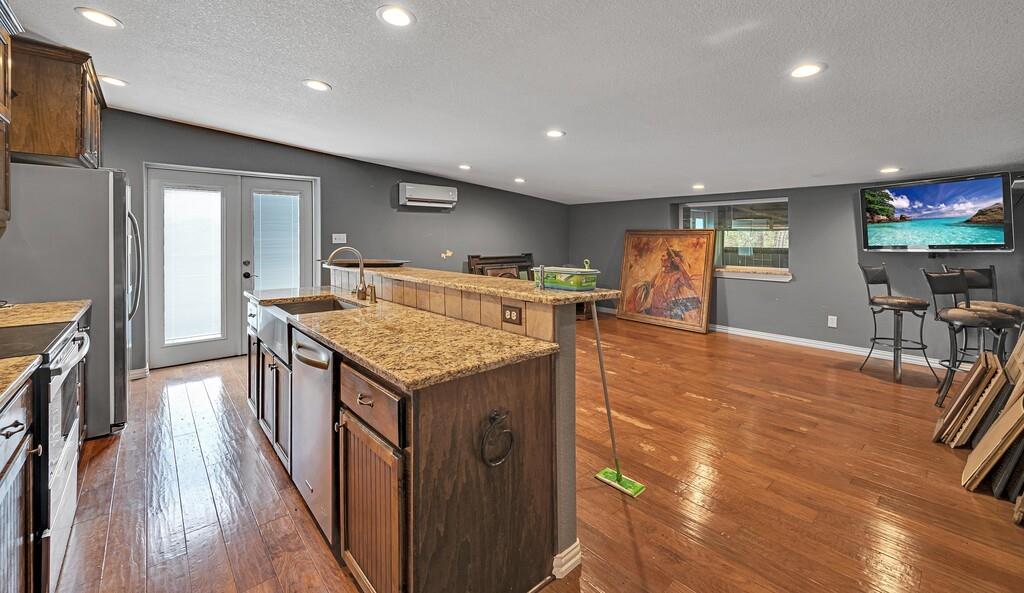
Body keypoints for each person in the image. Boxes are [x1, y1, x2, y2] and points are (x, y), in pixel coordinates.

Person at [626, 245, 702, 320]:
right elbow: (649, 286)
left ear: (670, 259)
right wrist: (640, 286)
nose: (661, 258)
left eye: (663, 256)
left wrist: (680, 264)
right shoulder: (660, 273)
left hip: (667, 316)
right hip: (654, 312)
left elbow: (690, 284)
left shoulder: (677, 275)